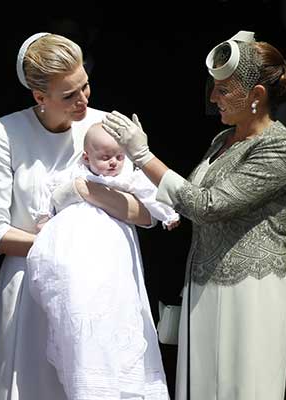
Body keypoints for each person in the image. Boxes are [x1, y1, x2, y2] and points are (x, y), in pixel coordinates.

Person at [102, 30, 286, 400]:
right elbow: (188, 199)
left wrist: (144, 157)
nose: (213, 97)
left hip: (250, 291)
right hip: (203, 285)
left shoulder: (281, 147)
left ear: (256, 96)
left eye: (223, 90)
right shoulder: (221, 141)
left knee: (243, 389)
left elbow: (208, 205)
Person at [0, 32, 156, 400]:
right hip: (33, 286)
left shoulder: (105, 126)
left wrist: (88, 192)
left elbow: (147, 212)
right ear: (40, 97)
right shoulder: (4, 131)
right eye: (69, 95)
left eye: (85, 86)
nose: (83, 100)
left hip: (104, 288)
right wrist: (60, 248)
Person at [26, 122, 177, 400]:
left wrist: (168, 215)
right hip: (73, 250)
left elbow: (148, 194)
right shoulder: (75, 172)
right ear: (86, 157)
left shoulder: (124, 177)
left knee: (112, 304)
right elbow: (51, 192)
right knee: (77, 309)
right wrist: (44, 217)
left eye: (119, 157)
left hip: (110, 249)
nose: (113, 163)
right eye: (105, 158)